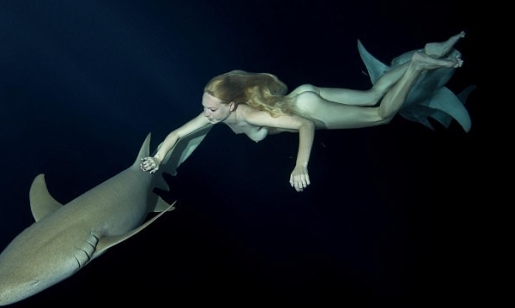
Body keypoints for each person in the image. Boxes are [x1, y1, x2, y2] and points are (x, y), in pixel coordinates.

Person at [140, 32, 466, 192]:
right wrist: (157, 156)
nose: (206, 114)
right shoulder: (216, 112)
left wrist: (300, 165)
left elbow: (305, 124)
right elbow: (177, 134)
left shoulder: (249, 115)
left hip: (308, 108)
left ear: (232, 105)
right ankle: (430, 52)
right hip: (303, 93)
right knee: (372, 93)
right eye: (204, 108)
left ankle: (418, 65)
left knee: (382, 115)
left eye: (211, 109)